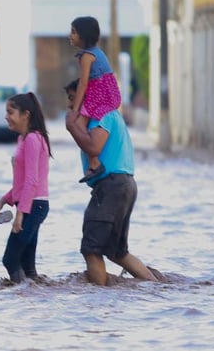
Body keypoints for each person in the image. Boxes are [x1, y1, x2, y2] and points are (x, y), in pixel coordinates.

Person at [64, 79, 159, 286]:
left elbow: (94, 147)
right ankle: (157, 288)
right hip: (122, 184)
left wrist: (72, 127)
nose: (71, 105)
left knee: (91, 249)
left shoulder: (102, 114)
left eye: (73, 98)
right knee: (117, 252)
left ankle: (100, 301)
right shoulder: (107, 114)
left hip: (112, 185)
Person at [0, 93, 51, 283]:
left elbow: (32, 181)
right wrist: (3, 201)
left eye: (10, 112)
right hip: (30, 205)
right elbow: (22, 182)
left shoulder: (33, 139)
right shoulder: (23, 140)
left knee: (10, 259)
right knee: (27, 265)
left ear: (26, 114)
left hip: (34, 206)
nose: (6, 117)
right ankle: (31, 301)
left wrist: (21, 214)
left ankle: (20, 296)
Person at [68, 16, 122, 183]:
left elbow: (83, 84)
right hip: (104, 92)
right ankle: (93, 163)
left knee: (76, 124)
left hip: (102, 94)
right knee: (79, 125)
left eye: (74, 32)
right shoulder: (93, 53)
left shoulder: (87, 56)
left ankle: (95, 162)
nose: (70, 35)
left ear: (83, 36)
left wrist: (76, 109)